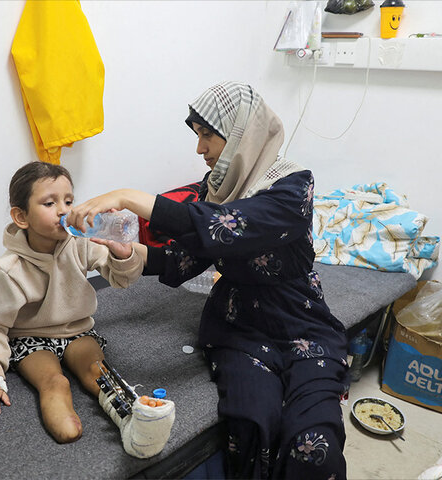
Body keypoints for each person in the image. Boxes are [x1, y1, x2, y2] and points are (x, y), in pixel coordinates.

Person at [67, 82, 349, 479]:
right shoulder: (213, 192)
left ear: (239, 134)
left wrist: (130, 196)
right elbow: (182, 259)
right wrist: (126, 252)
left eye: (206, 135)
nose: (200, 149)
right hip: (239, 328)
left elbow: (226, 227)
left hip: (303, 323)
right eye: (197, 136)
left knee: (312, 443)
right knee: (250, 423)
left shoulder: (293, 187)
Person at [0, 161, 144, 444]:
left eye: (68, 201)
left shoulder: (81, 243)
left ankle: (137, 422)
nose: (64, 210)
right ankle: (68, 430)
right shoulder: (10, 270)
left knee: (98, 371)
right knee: (55, 381)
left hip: (77, 330)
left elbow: (122, 279)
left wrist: (122, 255)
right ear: (21, 217)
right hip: (30, 338)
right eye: (49, 203)